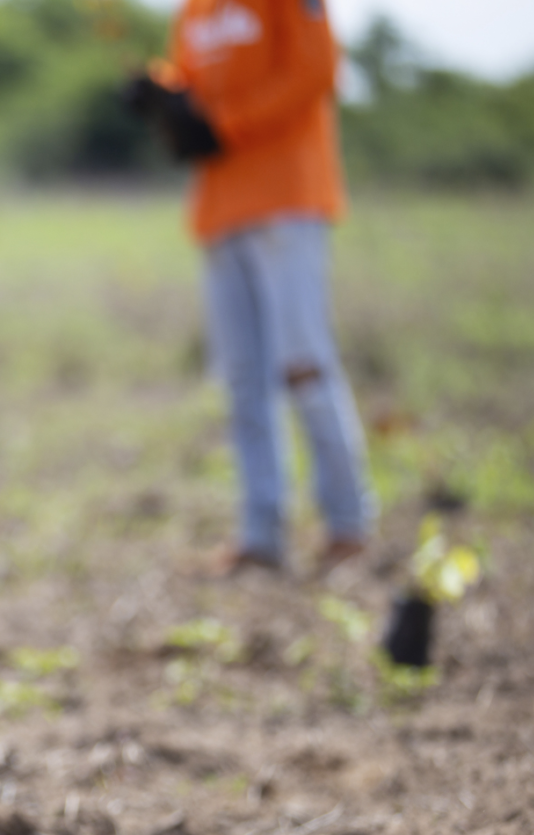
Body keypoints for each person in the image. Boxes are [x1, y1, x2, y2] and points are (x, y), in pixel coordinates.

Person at [129, 0, 375, 575]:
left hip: (288, 200)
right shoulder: (195, 8)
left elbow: (316, 72)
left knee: (303, 363)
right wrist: (161, 92)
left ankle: (348, 524)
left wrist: (224, 126)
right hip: (220, 207)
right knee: (243, 378)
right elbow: (195, 83)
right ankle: (261, 535)